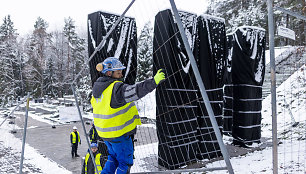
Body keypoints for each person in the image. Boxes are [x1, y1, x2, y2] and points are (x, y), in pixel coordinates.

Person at [91, 57, 165, 174]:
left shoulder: (98, 89)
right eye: (118, 72)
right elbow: (135, 91)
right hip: (118, 135)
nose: (121, 75)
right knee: (124, 163)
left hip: (105, 134)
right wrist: (154, 81)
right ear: (109, 73)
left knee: (113, 159)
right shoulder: (116, 89)